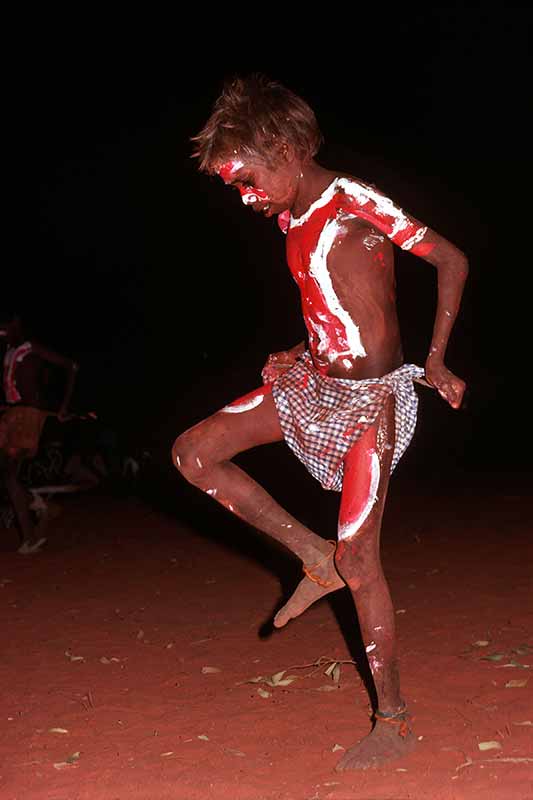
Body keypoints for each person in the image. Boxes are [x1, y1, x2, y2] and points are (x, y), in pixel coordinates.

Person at [172, 75, 467, 770]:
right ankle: (311, 555)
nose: (245, 198)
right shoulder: (292, 218)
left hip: (371, 399)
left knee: (361, 560)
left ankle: (392, 721)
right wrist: (302, 351)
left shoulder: (351, 202)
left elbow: (450, 260)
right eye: (234, 188)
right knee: (193, 454)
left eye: (246, 180)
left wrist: (436, 361)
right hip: (316, 384)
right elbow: (339, 307)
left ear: (285, 150)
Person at [0, 313, 79, 553]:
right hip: (12, 415)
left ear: (16, 323)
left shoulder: (30, 348)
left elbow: (72, 366)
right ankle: (40, 505)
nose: (1, 331)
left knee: (10, 475)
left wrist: (64, 406)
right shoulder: (9, 351)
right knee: (7, 475)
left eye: (4, 326)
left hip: (27, 416)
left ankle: (30, 536)